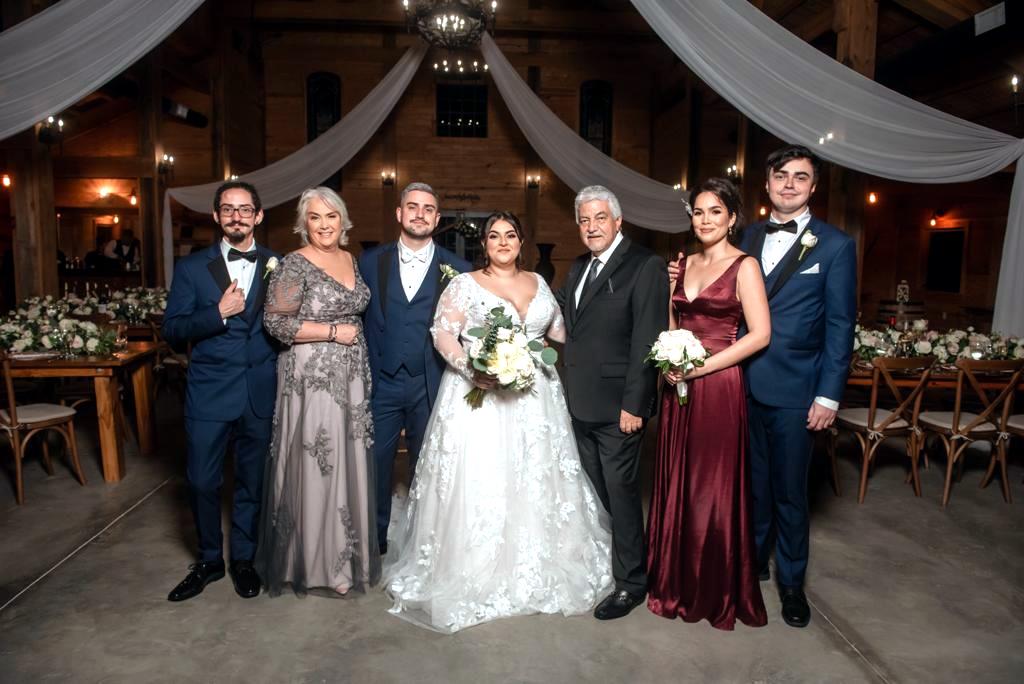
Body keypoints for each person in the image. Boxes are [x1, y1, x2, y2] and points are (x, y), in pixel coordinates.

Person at [384, 211, 612, 633]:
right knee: (485, 475)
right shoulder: (464, 284)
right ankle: (476, 564)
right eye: (494, 236)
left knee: (536, 474)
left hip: (537, 399)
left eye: (510, 235)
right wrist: (472, 368)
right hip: (481, 398)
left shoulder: (539, 283)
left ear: (521, 242)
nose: (502, 242)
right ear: (484, 244)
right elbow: (442, 333)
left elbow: (561, 332)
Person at [669, 145, 856, 628]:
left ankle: (792, 584)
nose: (789, 184)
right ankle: (748, 565)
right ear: (767, 184)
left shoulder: (835, 245)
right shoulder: (745, 234)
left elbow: (840, 326)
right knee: (744, 485)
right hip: (734, 384)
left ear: (813, 187)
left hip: (796, 388)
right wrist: (681, 279)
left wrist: (828, 394)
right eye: (780, 176)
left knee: (790, 491)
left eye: (800, 177)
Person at [646, 178, 770, 630]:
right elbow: (674, 322)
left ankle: (711, 587)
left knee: (710, 485)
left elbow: (760, 335)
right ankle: (674, 582)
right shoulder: (683, 263)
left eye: (715, 211)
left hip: (718, 385)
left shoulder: (745, 266)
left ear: (732, 217)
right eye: (698, 211)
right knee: (678, 478)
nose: (705, 220)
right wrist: (668, 362)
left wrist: (699, 369)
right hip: (677, 382)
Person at [256, 187, 379, 596]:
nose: (324, 225)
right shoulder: (294, 264)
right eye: (315, 217)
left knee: (347, 461)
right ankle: (316, 567)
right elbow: (276, 323)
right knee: (319, 461)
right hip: (313, 377)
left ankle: (343, 559)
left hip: (351, 377)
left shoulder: (350, 258)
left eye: (331, 216)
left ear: (342, 220)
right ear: (303, 223)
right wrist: (332, 332)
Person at [162, 180, 280, 602]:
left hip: (259, 392)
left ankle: (243, 560)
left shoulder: (280, 264)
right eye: (228, 209)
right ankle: (210, 559)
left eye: (245, 209)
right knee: (201, 481)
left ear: (258, 216)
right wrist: (217, 313)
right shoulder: (193, 268)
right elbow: (173, 331)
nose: (236, 216)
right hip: (210, 393)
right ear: (216, 216)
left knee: (252, 482)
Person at [557, 185, 668, 620]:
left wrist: (635, 405)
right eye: (584, 220)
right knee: (594, 491)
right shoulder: (578, 266)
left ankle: (632, 583)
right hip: (579, 402)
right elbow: (564, 319)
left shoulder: (645, 265)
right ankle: (610, 559)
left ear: (618, 221)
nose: (591, 227)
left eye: (600, 217)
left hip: (620, 408)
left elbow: (647, 338)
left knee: (621, 495)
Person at [358, 183, 470, 554]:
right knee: (375, 463)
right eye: (412, 206)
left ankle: (423, 542)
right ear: (399, 213)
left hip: (430, 382)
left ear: (437, 219)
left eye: (428, 209)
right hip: (382, 381)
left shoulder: (458, 270)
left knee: (428, 465)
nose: (419, 214)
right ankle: (374, 541)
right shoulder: (370, 262)